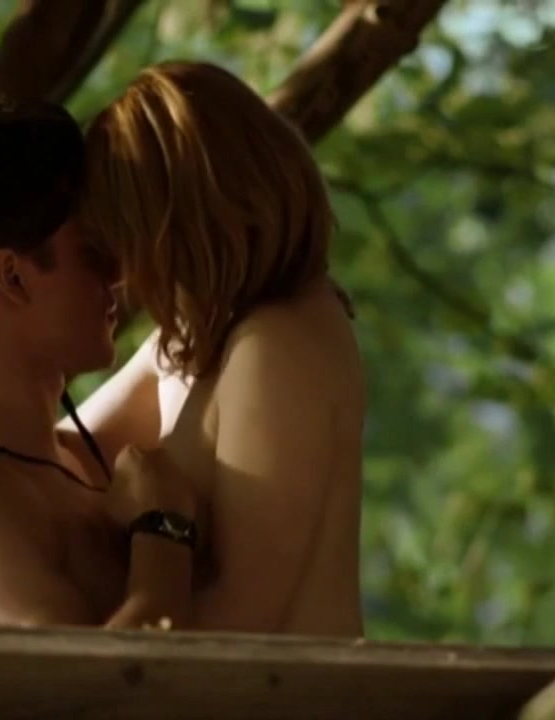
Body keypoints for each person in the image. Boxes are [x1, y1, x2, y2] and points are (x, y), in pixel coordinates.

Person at [0, 99, 199, 630]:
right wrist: (165, 530)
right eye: (93, 252)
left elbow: (189, 337)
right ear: (13, 278)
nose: (119, 274)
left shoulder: (65, 457)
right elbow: (88, 678)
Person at [67, 60, 367, 637]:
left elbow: (241, 620)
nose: (121, 276)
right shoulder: (198, 335)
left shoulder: (275, 348)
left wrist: (157, 526)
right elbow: (63, 457)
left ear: (177, 224)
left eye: (122, 242)